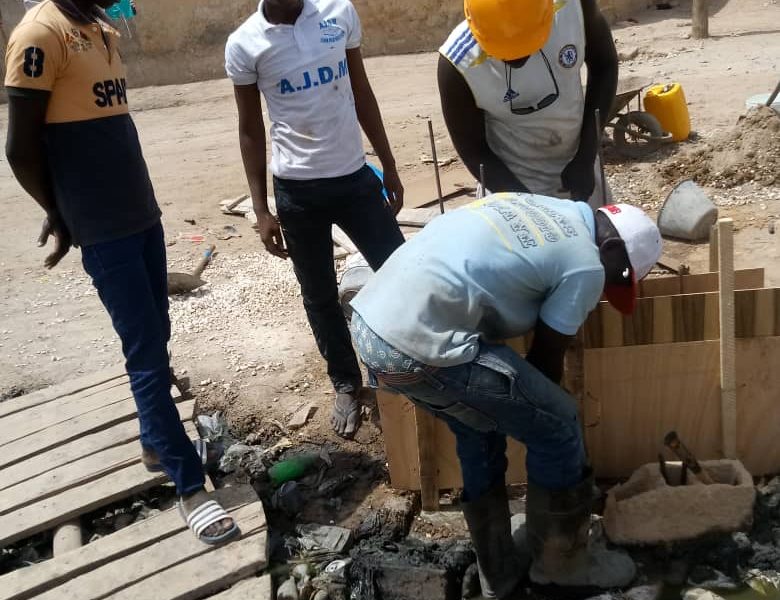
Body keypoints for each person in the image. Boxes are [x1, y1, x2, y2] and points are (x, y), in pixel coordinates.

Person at [4, 0, 237, 544]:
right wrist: (61, 213)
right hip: (101, 224)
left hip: (140, 211)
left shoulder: (101, 29)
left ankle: (155, 440)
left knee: (158, 332)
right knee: (145, 353)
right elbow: (20, 148)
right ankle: (188, 486)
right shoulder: (40, 33)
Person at [349, 194, 662, 596]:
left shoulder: (530, 203)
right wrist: (564, 467)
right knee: (559, 424)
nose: (606, 291)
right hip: (418, 344)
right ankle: (560, 566)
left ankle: (497, 573)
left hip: (371, 326)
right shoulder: (586, 263)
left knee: (477, 427)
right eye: (617, 279)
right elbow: (544, 365)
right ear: (613, 251)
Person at [226, 0, 406, 438]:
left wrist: (389, 165)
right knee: (319, 294)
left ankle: (410, 367)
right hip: (297, 191)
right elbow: (250, 127)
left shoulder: (338, 13)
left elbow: (361, 92)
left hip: (354, 179)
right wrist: (262, 208)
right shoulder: (245, 44)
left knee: (403, 273)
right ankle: (346, 383)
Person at [438, 0, 618, 207]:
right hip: (508, 185)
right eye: (502, 50)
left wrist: (586, 156)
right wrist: (530, 210)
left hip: (581, 169)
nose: (516, 59)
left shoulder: (572, 9)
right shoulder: (458, 65)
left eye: (525, 45)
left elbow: (605, 65)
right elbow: (475, 151)